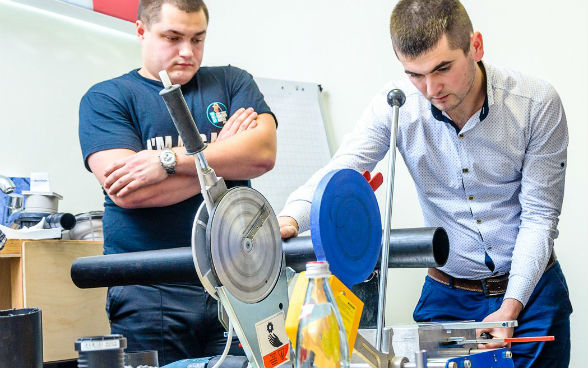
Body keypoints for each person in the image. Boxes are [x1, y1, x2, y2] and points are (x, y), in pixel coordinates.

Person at [278, 0, 571, 366]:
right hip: (449, 295)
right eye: (415, 74)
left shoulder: (536, 104)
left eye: (443, 68)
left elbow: (540, 218)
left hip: (533, 294)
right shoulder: (397, 105)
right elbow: (341, 170)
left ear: (476, 46)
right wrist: (289, 220)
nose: (431, 88)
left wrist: (511, 307)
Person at [78, 0, 277, 364]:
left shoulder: (232, 82)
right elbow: (129, 190)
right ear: (141, 30)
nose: (187, 51)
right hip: (149, 289)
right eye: (173, 37)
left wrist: (168, 161)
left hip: (236, 282)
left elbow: (262, 153)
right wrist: (226, 154)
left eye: (197, 39)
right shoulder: (107, 98)